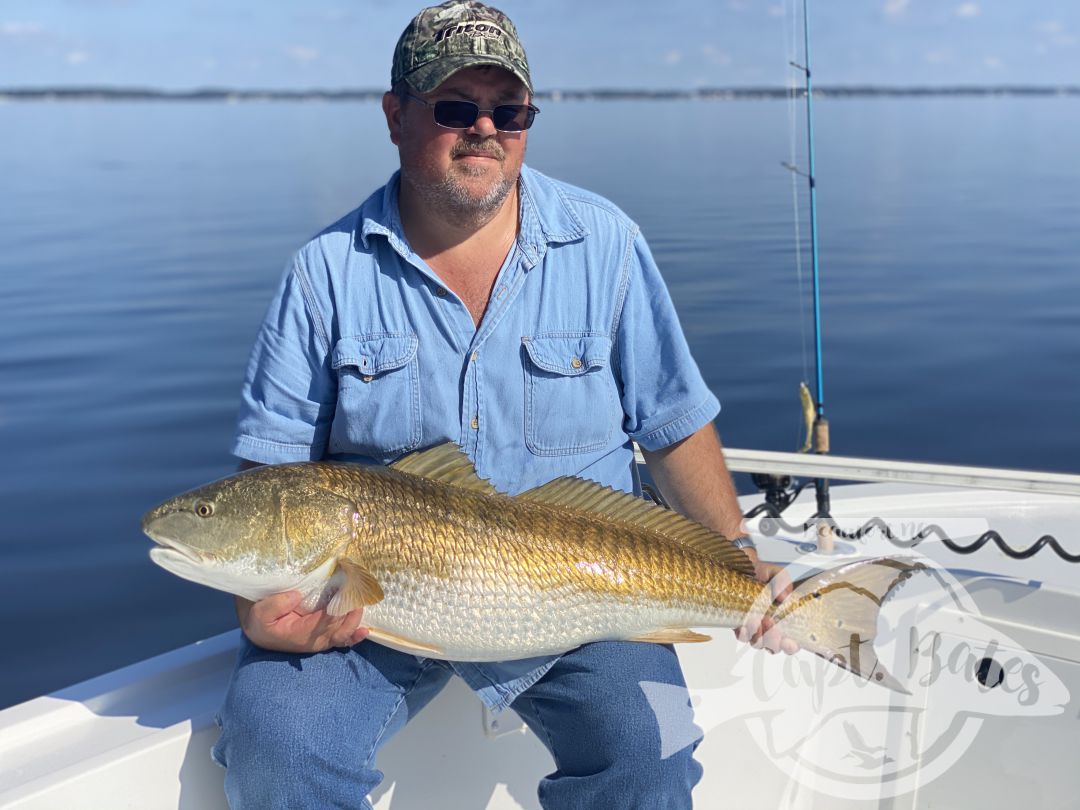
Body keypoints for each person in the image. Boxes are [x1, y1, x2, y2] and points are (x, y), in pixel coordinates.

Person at [212, 2, 796, 808]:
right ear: (395, 115)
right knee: (275, 744)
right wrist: (259, 613)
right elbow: (269, 483)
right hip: (373, 601)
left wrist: (738, 553)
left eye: (509, 110)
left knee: (651, 754)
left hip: (582, 594)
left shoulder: (607, 243)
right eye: (455, 107)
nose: (484, 129)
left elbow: (672, 423)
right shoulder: (324, 274)